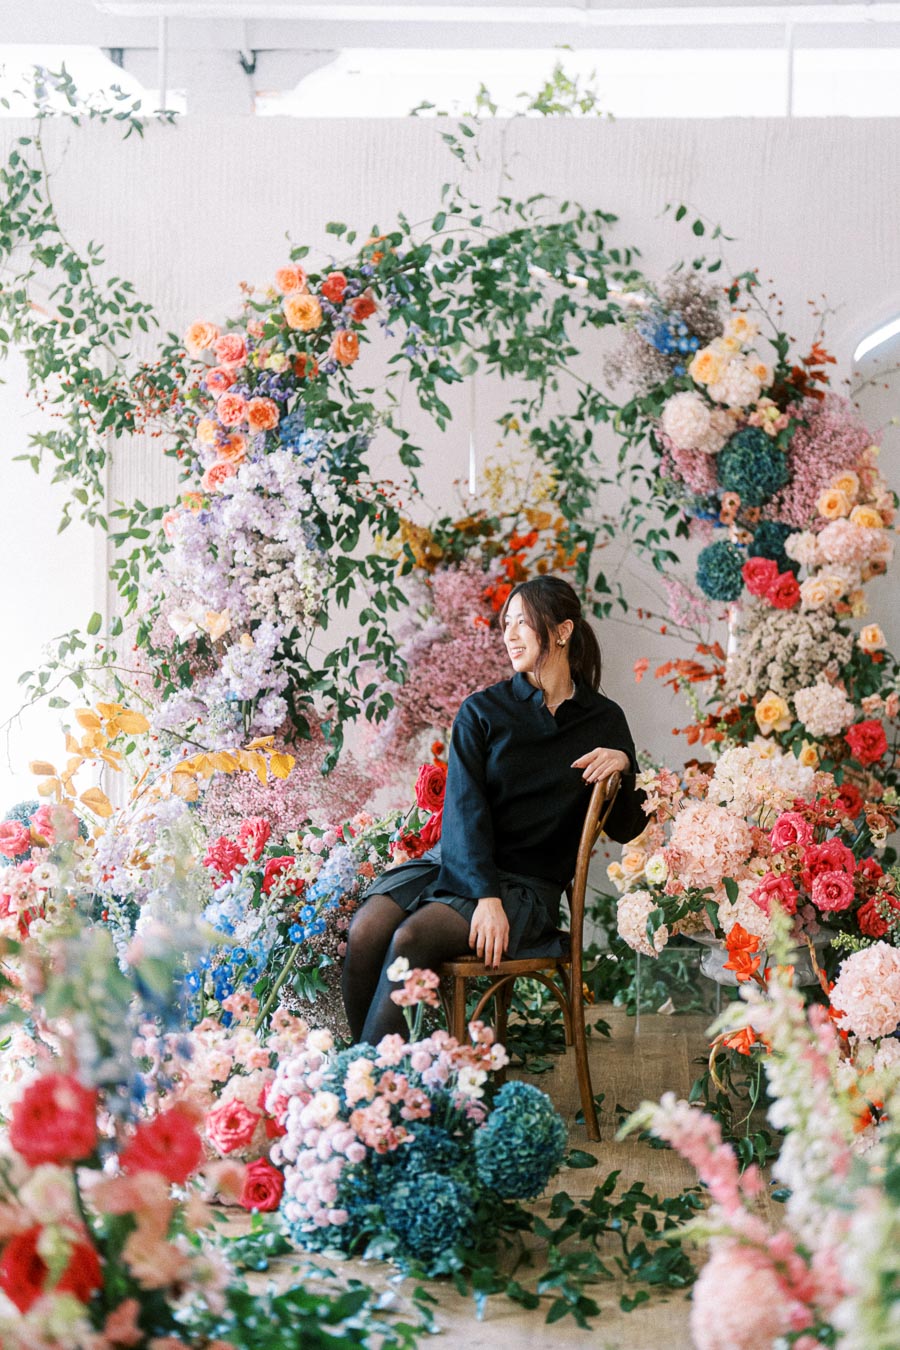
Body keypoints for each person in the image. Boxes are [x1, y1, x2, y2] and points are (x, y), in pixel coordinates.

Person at [341, 575, 646, 1044]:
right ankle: (367, 1078)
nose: (509, 634)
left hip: (526, 889)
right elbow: (465, 810)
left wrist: (624, 763)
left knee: (410, 938)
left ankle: (376, 1093)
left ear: (562, 631)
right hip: (458, 865)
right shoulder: (483, 710)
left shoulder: (604, 720)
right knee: (366, 930)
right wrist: (484, 895)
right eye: (506, 624)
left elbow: (629, 826)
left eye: (523, 623)